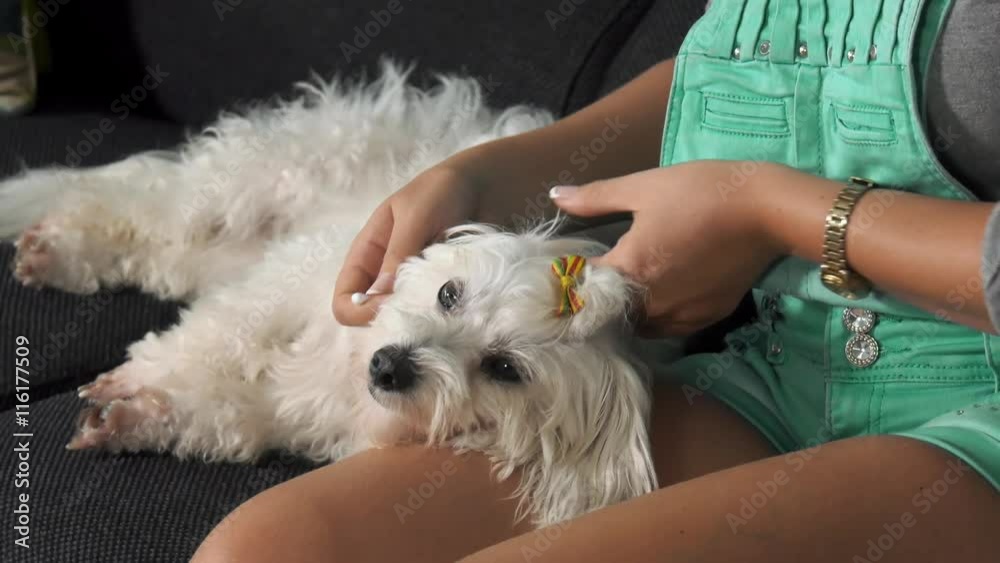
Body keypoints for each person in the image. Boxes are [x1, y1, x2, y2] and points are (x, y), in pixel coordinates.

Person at [192, 1, 999, 561]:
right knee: (260, 551)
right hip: (774, 375)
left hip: (976, 417)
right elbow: (747, 62)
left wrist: (765, 211)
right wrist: (496, 171)